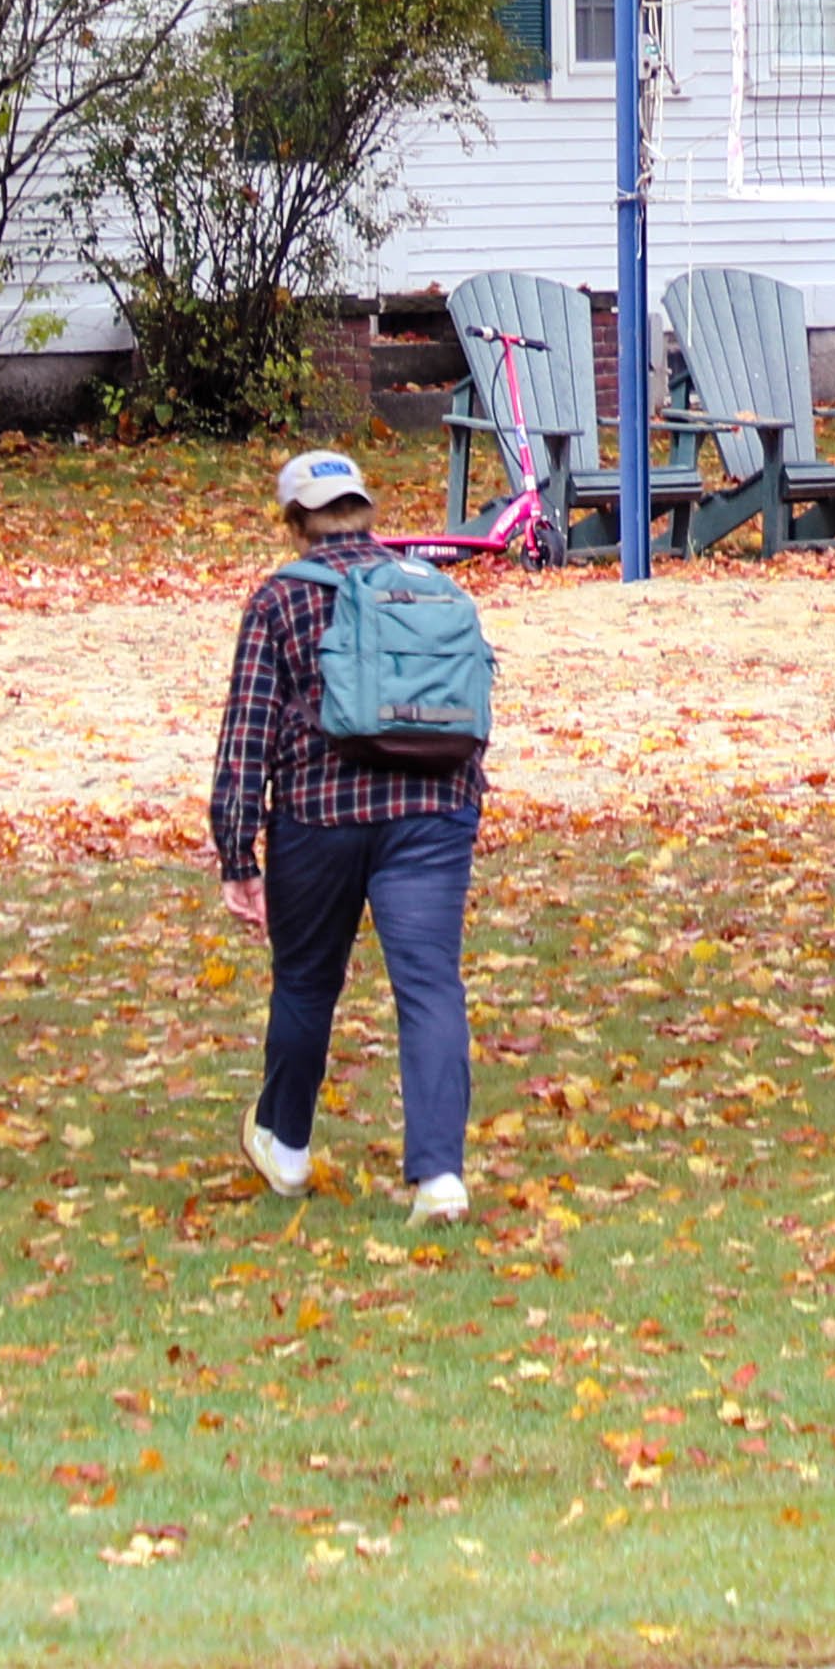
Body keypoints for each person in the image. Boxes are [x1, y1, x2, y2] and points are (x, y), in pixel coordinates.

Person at [212, 445, 479, 1224]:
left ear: (296, 522)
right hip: (432, 812)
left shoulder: (277, 601)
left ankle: (286, 1146)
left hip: (317, 818)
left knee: (305, 981)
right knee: (430, 987)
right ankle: (440, 1179)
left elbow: (247, 734)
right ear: (366, 511)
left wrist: (238, 852)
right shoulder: (434, 587)